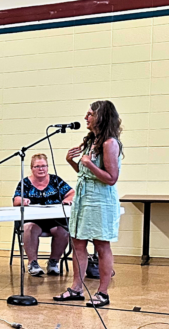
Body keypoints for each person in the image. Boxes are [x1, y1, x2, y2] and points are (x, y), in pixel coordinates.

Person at [55, 100, 123, 308]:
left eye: (90, 114)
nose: (86, 118)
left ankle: (102, 292)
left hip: (100, 201)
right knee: (77, 243)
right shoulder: (90, 140)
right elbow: (86, 174)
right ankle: (76, 288)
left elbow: (111, 178)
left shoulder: (109, 143)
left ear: (101, 117)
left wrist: (90, 164)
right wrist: (72, 162)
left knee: (101, 245)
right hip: (84, 198)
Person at [12, 153, 74, 276]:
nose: (41, 169)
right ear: (31, 168)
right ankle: (32, 263)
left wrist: (68, 200)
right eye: (37, 166)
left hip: (54, 219)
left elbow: (71, 192)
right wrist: (23, 201)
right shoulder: (25, 183)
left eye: (44, 166)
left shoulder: (55, 180)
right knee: (28, 228)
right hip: (33, 220)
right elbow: (16, 200)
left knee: (63, 231)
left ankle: (53, 262)